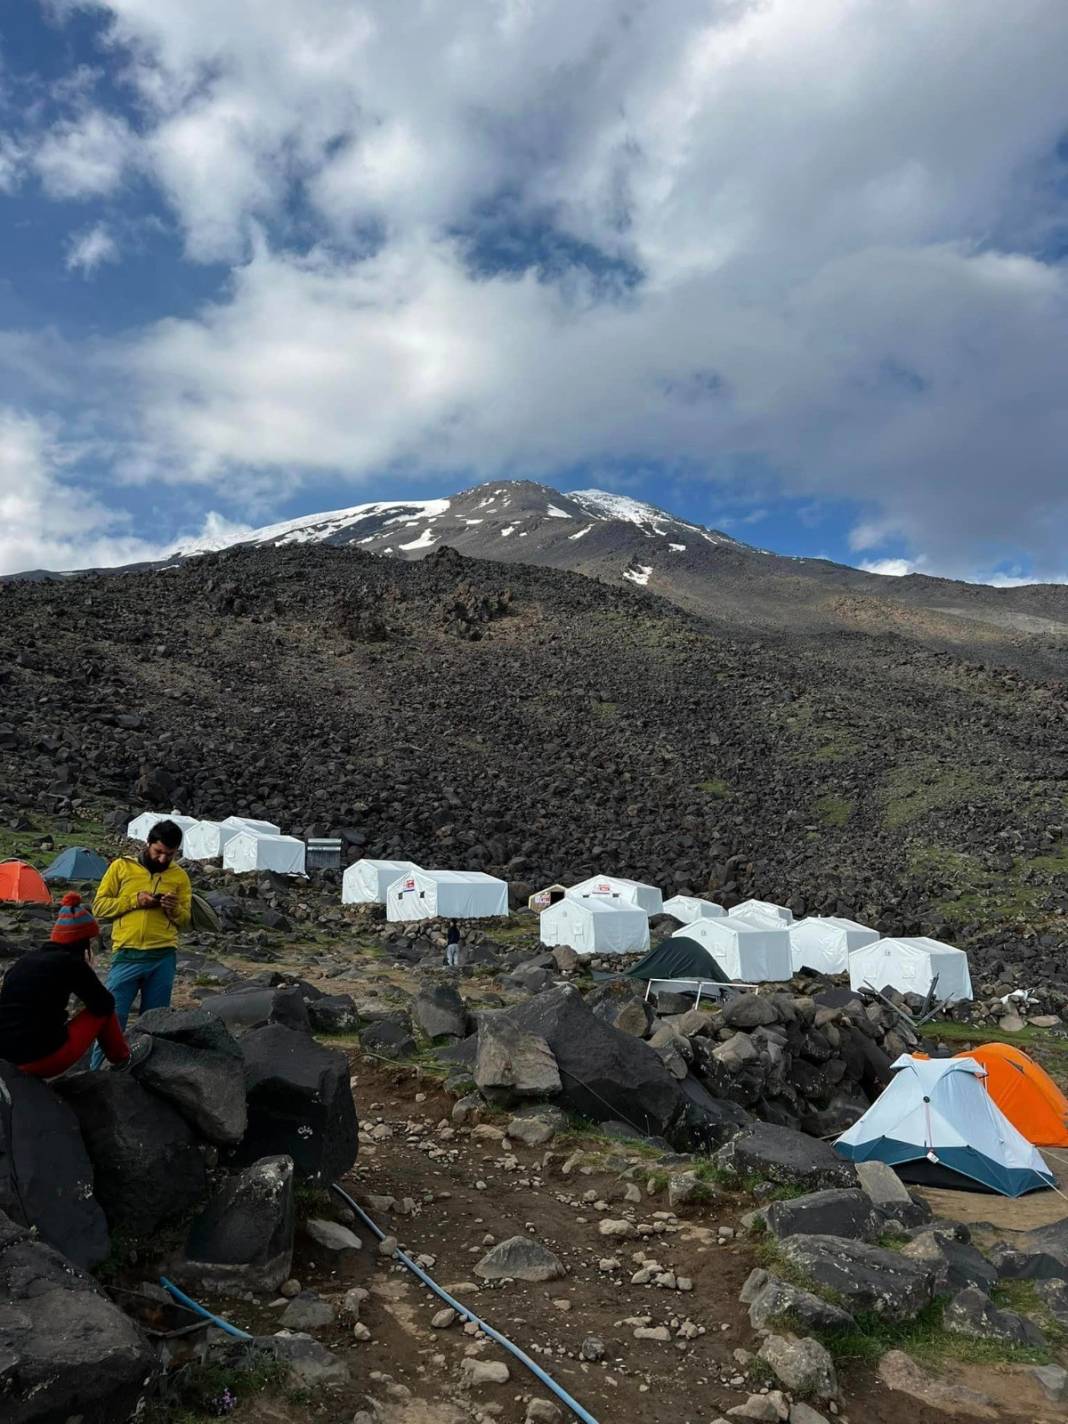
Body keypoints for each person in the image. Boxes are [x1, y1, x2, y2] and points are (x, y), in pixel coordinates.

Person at [0, 892, 152, 1076]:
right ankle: (123, 1059)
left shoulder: (25, 960)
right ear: (84, 943)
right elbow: (103, 1003)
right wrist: (88, 971)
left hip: (7, 1060)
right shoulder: (71, 963)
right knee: (104, 1009)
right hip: (42, 1058)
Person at [90, 819, 191, 1067]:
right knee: (112, 1019)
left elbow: (186, 920)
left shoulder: (179, 876)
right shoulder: (121, 867)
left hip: (162, 956)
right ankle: (95, 1075)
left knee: (155, 1021)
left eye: (170, 854)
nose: (163, 860)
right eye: (158, 852)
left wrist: (174, 909)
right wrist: (134, 900)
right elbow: (99, 906)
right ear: (148, 844)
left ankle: (147, 1078)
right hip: (127, 954)